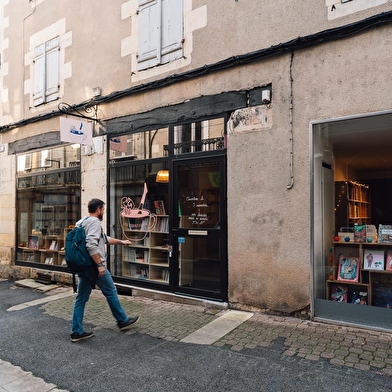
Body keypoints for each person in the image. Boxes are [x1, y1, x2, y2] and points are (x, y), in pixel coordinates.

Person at [70, 198, 139, 342]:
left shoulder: (81, 222)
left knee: (81, 299)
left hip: (83, 265)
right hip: (94, 267)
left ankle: (76, 332)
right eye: (103, 210)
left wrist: (121, 242)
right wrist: (100, 265)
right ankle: (122, 320)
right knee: (111, 292)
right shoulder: (95, 222)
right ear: (99, 209)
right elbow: (91, 245)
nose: (103, 212)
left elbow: (104, 239)